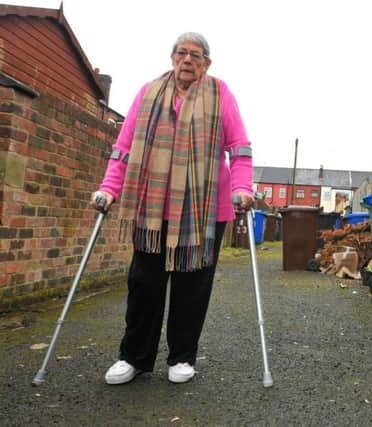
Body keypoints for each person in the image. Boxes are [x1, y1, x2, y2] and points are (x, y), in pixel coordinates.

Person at [90, 32, 254, 385]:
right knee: (143, 284)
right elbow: (124, 146)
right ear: (172, 58)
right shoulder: (149, 92)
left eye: (196, 55)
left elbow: (239, 145)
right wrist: (108, 187)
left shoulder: (220, 93)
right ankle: (133, 357)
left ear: (207, 63)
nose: (188, 60)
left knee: (192, 286)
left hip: (203, 210)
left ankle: (182, 357)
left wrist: (242, 188)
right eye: (182, 53)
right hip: (152, 208)